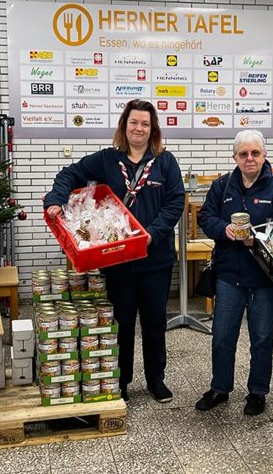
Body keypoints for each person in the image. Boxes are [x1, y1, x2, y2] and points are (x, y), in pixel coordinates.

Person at [44, 99, 184, 403]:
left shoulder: (165, 161)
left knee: (154, 322)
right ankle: (120, 381)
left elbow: (176, 203)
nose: (139, 128)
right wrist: (55, 199)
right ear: (125, 126)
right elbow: (69, 173)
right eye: (134, 122)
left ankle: (156, 379)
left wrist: (152, 234)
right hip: (118, 260)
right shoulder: (107, 160)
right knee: (120, 322)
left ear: (152, 129)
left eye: (145, 123)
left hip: (154, 259)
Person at [194, 129, 273, 416]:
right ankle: (220, 387)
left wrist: (261, 240)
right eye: (243, 154)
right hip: (229, 275)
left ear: (264, 155)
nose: (249, 158)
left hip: (266, 278)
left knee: (262, 337)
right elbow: (206, 216)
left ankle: (257, 391)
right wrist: (223, 230)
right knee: (222, 336)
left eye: (255, 153)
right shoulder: (222, 186)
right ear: (235, 157)